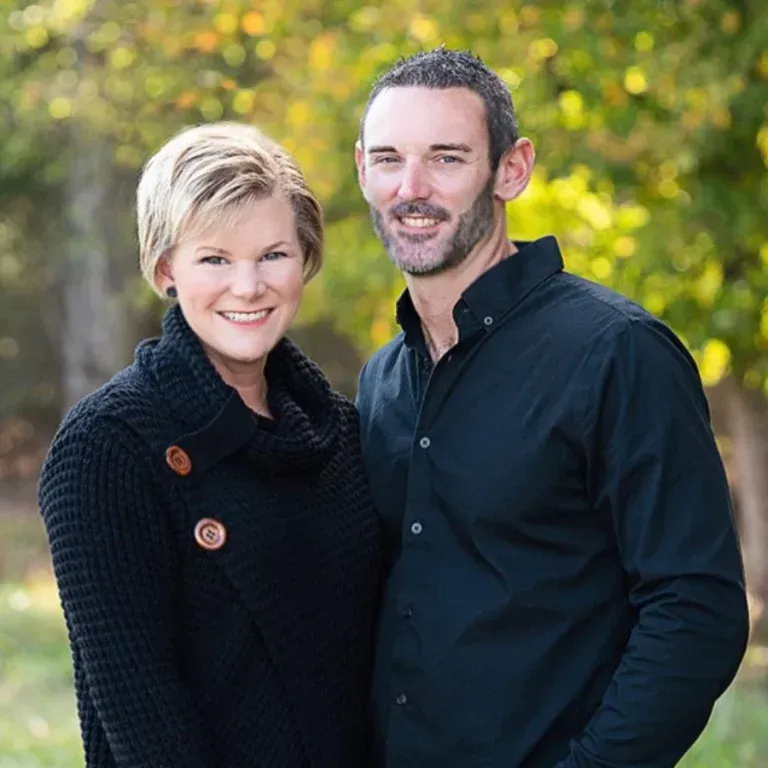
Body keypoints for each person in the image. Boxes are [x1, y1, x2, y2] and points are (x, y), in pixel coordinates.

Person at [354, 48, 750, 768]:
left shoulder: (618, 353)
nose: (412, 188)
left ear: (512, 169)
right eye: (388, 159)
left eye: (446, 158)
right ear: (361, 171)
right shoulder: (381, 381)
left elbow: (697, 610)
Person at [38, 122, 382, 768]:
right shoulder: (106, 448)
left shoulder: (339, 432)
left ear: (304, 257)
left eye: (273, 255)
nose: (248, 287)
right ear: (166, 268)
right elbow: (148, 726)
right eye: (215, 259)